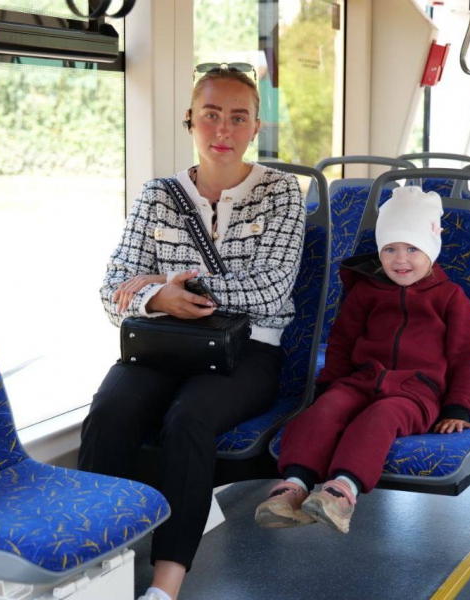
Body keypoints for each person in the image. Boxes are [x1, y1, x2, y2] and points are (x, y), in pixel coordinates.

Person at [77, 64, 305, 600]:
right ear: (190, 120)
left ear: (256, 128)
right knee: (108, 412)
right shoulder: (158, 195)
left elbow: (272, 289)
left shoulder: (280, 193)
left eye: (238, 118)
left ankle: (165, 586)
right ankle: (89, 566)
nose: (223, 130)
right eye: (211, 115)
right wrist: (159, 299)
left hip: (248, 349)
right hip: (165, 343)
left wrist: (171, 284)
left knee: (188, 420)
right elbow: (112, 289)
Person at [255, 186, 470, 534]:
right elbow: (342, 342)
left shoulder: (451, 298)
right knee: (324, 411)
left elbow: (466, 355)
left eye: (412, 248)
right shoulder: (365, 292)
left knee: (379, 418)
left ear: (431, 249)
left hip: (416, 393)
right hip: (361, 380)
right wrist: (330, 386)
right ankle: (294, 485)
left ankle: (341, 491)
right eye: (390, 249)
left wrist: (458, 408)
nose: (400, 259)